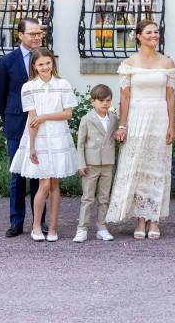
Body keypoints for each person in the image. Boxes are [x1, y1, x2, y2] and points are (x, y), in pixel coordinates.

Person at [105, 19, 175, 240]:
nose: (154, 36)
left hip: (159, 118)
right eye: (149, 32)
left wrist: (172, 125)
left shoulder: (167, 63)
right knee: (137, 166)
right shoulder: (129, 63)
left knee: (156, 168)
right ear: (138, 36)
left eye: (156, 32)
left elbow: (170, 97)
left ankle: (154, 219)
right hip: (136, 118)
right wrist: (123, 124)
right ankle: (140, 218)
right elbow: (124, 97)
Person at [9, 47, 78, 242]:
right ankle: (36, 226)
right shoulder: (28, 87)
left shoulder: (63, 84)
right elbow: (32, 119)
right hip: (39, 138)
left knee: (55, 184)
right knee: (44, 183)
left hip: (58, 136)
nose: (45, 67)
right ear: (34, 66)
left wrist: (45, 116)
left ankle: (54, 227)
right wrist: (31, 146)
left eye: (48, 63)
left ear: (52, 63)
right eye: (41, 64)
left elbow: (68, 113)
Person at [0, 17, 46, 238]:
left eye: (38, 33)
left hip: (41, 124)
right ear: (20, 35)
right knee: (18, 176)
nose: (36, 37)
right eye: (32, 33)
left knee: (38, 174)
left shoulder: (46, 58)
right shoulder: (7, 61)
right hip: (16, 124)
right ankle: (16, 222)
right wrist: (9, 120)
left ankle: (39, 222)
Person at [73, 84, 118, 243]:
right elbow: (80, 143)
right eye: (101, 101)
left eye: (108, 100)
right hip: (91, 164)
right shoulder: (87, 119)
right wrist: (81, 163)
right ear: (93, 101)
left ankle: (102, 227)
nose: (105, 104)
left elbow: (116, 135)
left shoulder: (113, 118)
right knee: (87, 198)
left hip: (107, 163)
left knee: (104, 197)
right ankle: (82, 229)